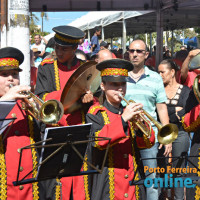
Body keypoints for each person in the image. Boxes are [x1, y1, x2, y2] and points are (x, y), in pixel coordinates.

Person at [35, 25, 94, 200]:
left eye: (64, 49)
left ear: (75, 48)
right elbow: (40, 96)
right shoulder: (46, 67)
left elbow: (98, 95)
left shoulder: (86, 68)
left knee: (80, 184)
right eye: (57, 48)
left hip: (80, 130)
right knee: (54, 186)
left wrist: (90, 98)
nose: (59, 52)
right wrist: (72, 92)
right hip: (54, 132)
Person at [86, 58, 155, 200]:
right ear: (103, 86)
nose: (120, 89)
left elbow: (148, 143)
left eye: (123, 84)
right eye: (114, 84)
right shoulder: (96, 112)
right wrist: (123, 119)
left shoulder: (129, 111)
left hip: (132, 181)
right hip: (107, 182)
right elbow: (98, 142)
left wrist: (141, 126)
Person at [123, 39, 170, 200]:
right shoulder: (121, 76)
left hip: (149, 136)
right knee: (126, 179)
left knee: (151, 181)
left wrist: (167, 137)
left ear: (146, 55)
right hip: (125, 134)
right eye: (131, 51)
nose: (135, 54)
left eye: (139, 51)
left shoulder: (155, 77)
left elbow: (161, 108)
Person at [0, 47, 41, 200]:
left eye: (15, 74)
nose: (11, 79)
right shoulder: (8, 100)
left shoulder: (24, 104)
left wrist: (38, 115)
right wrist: (6, 100)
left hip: (29, 188)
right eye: (4, 74)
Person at [158, 59, 190, 200]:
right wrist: (174, 110)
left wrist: (166, 111)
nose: (159, 75)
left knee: (179, 169)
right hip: (162, 133)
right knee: (160, 168)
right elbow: (156, 110)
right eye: (158, 72)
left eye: (162, 72)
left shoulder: (185, 90)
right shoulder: (158, 90)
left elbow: (186, 111)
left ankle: (178, 198)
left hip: (181, 132)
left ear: (172, 72)